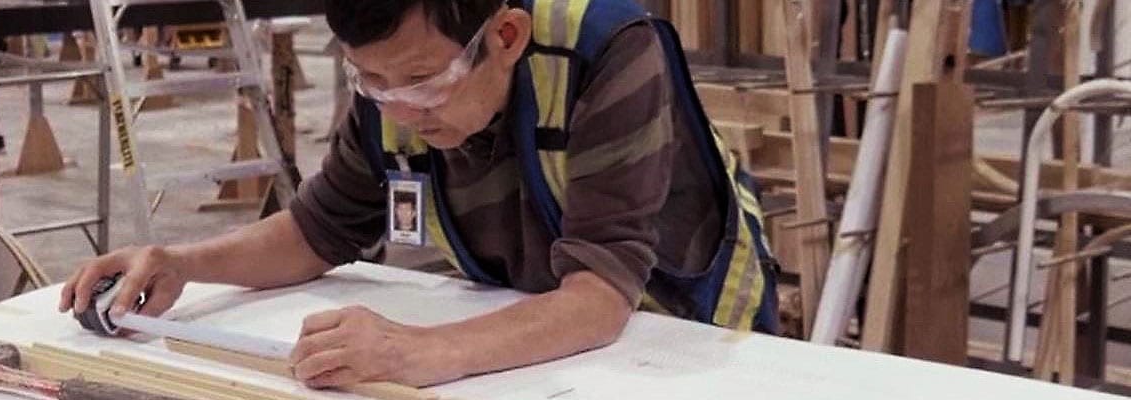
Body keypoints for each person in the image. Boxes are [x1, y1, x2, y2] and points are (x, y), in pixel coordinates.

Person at [60, 0, 779, 388]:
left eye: (421, 81)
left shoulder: (612, 49)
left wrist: (414, 353)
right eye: (371, 82)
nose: (396, 106)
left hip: (683, 345)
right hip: (544, 340)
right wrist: (186, 263)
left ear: (505, 35)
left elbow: (598, 296)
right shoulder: (393, 79)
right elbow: (316, 231)